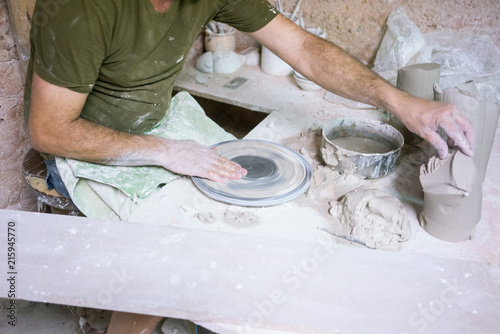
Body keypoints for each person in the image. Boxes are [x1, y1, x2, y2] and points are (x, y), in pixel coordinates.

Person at [24, 0, 474, 333]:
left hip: (160, 119)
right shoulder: (79, 9)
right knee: (170, 246)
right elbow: (48, 129)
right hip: (87, 144)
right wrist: (164, 151)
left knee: (248, 222)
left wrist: (401, 101)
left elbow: (302, 48)